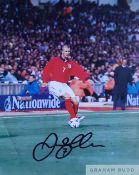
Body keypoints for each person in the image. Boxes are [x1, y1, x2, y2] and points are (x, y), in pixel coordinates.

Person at [42, 45, 89, 128]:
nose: (67, 53)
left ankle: (72, 118)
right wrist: (45, 81)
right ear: (62, 51)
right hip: (54, 84)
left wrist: (85, 78)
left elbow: (79, 70)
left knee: (76, 101)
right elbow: (46, 70)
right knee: (67, 97)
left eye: (68, 51)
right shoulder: (55, 60)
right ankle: (74, 118)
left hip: (64, 85)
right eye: (66, 51)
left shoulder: (70, 63)